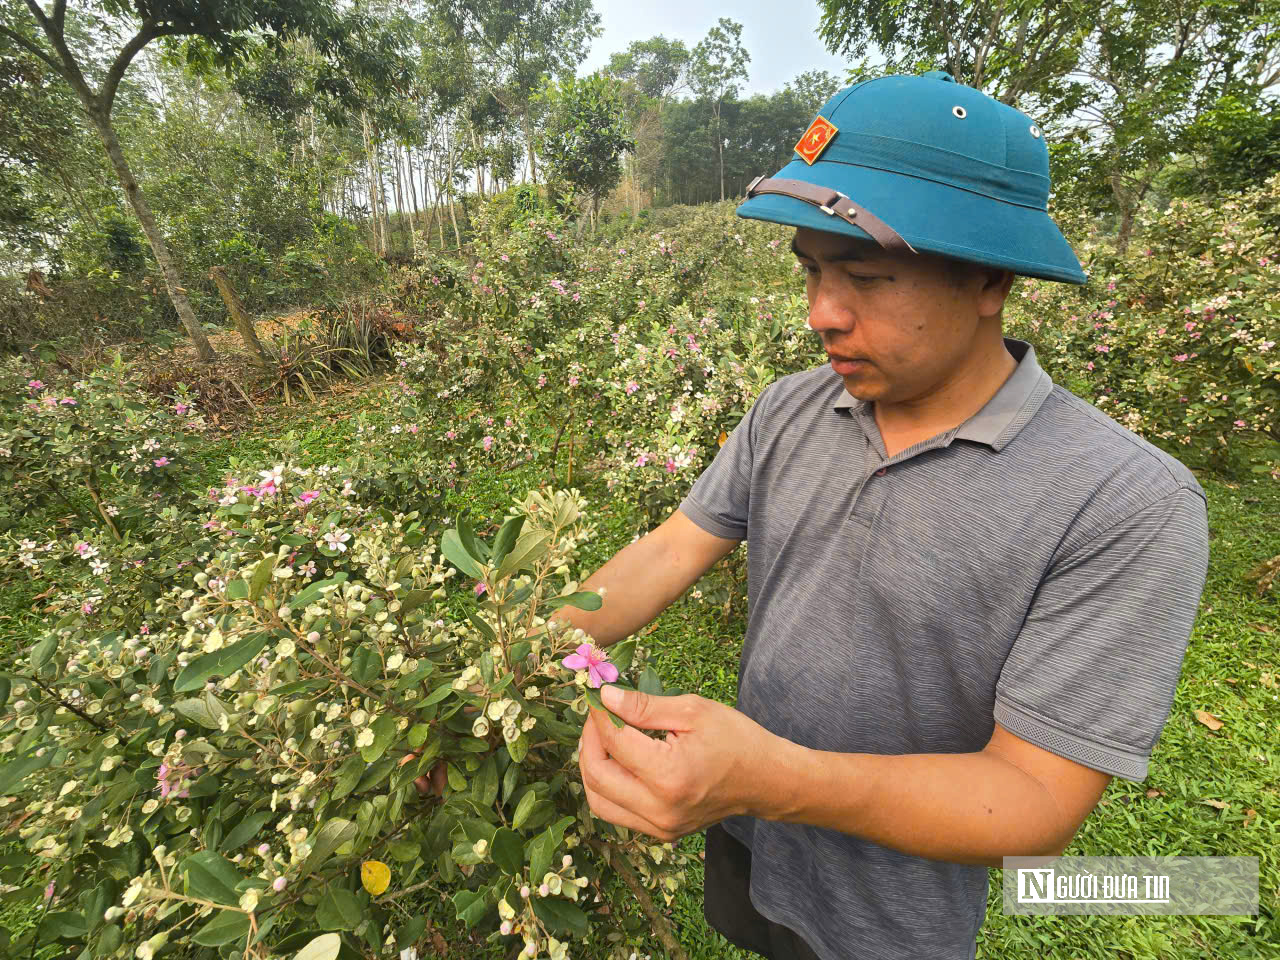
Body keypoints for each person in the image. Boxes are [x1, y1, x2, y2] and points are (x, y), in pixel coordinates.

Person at [551, 71, 1211, 960]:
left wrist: (773, 776)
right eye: (814, 272)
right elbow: (672, 546)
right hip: (750, 837)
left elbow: (1035, 800)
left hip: (889, 911)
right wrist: (523, 639)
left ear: (988, 278)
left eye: (863, 274)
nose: (823, 315)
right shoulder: (789, 409)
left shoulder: (1122, 502)